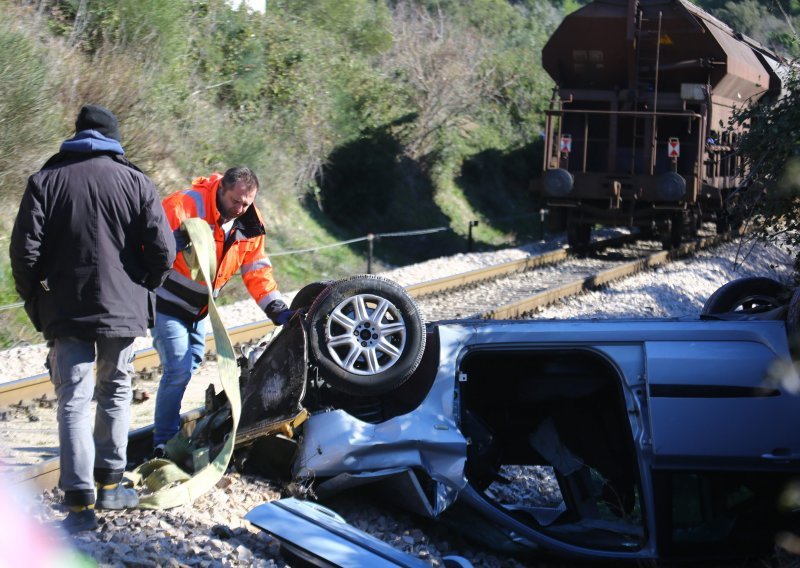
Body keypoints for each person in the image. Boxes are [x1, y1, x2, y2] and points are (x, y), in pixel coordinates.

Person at [9, 104, 176, 533]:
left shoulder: (45, 180)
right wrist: (143, 284)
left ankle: (79, 503)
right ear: (114, 139)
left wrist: (36, 297)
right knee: (117, 390)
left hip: (65, 307)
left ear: (77, 134)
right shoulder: (137, 181)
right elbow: (164, 251)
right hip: (124, 308)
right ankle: (110, 484)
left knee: (74, 398)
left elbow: (24, 253)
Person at [152, 166, 293, 456]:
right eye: (236, 201)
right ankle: (163, 442)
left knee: (190, 364)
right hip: (165, 303)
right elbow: (145, 245)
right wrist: (167, 246)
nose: (241, 209)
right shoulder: (184, 205)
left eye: (247, 203)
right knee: (178, 368)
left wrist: (277, 309)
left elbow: (257, 270)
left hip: (200, 311)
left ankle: (170, 427)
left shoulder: (250, 223)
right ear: (221, 190)